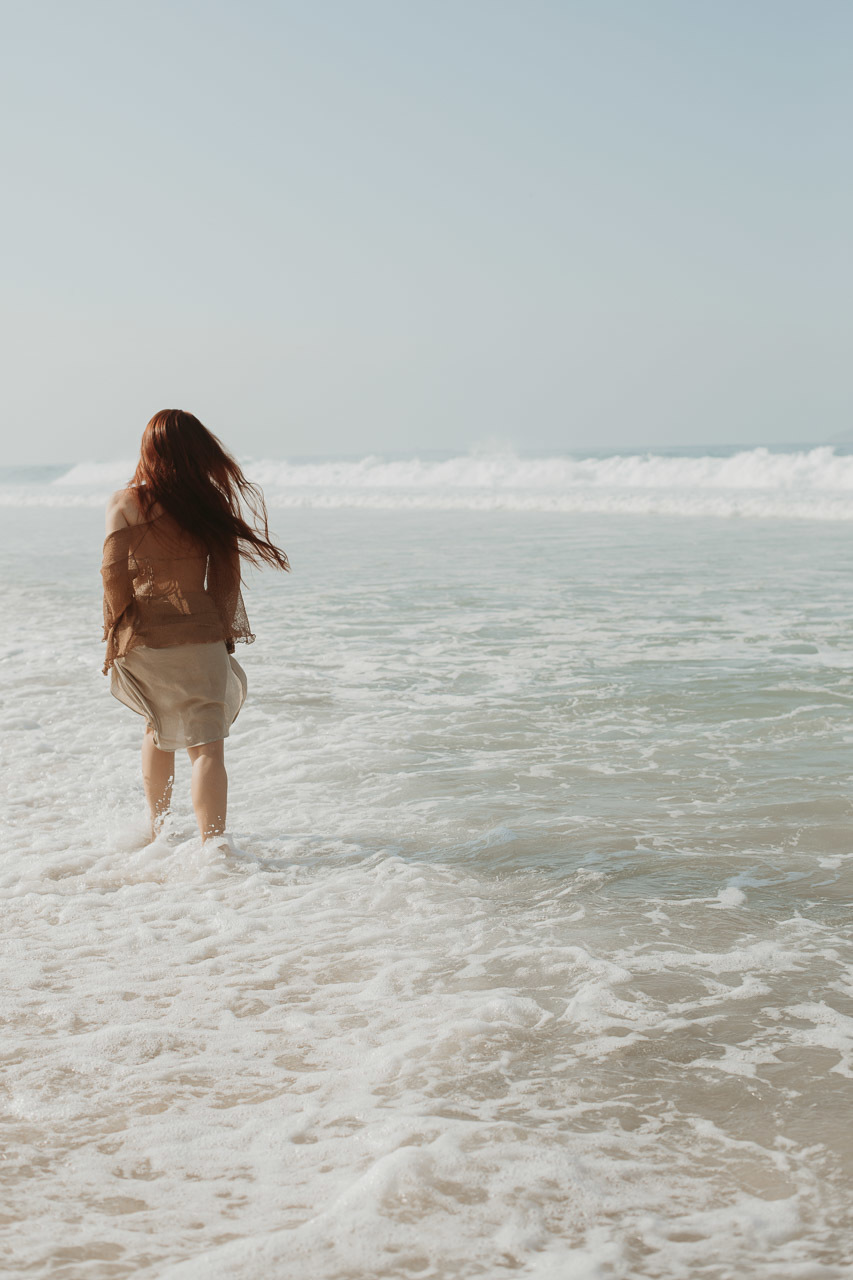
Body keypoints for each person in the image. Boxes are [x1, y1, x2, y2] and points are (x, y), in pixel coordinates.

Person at [101, 410, 289, 850]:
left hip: (145, 638)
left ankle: (159, 831)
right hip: (201, 636)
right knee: (207, 748)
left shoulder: (125, 503)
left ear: (149, 450)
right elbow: (225, 579)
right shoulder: (210, 504)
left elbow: (112, 577)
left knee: (156, 728)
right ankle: (214, 849)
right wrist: (223, 633)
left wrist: (117, 632)